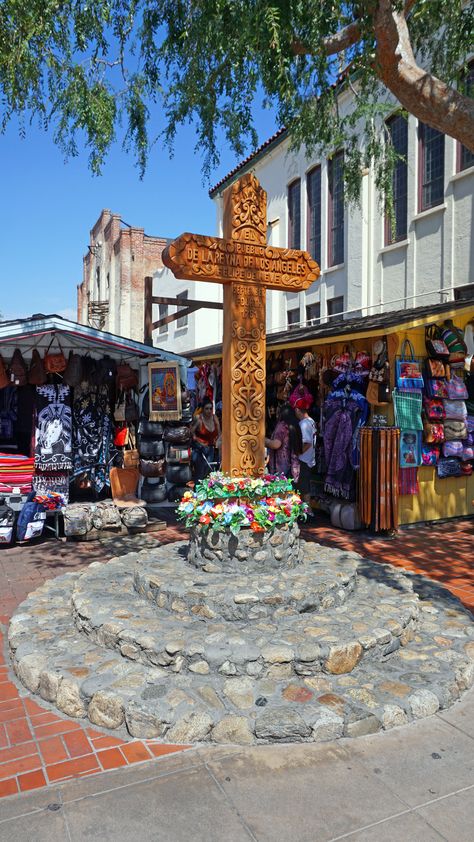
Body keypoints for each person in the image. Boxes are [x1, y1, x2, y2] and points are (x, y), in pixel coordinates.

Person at [265, 404, 302, 482]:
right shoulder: (295, 425)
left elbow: (276, 444)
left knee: (281, 489)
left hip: (281, 465)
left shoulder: (282, 426)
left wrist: (264, 440)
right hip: (293, 464)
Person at [294, 397, 316, 506]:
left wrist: (298, 453)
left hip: (304, 459)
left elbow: (307, 443)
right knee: (304, 485)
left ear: (298, 410)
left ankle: (308, 511)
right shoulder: (311, 421)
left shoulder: (303, 424)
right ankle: (307, 509)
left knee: (304, 486)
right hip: (309, 458)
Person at [190, 399, 221, 481]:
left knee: (208, 472)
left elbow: (219, 432)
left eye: (211, 408)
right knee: (200, 473)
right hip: (199, 450)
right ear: (203, 409)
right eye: (207, 408)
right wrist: (197, 441)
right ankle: (197, 491)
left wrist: (217, 442)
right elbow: (191, 432)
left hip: (210, 448)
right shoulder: (198, 418)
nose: (209, 411)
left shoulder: (215, 418)